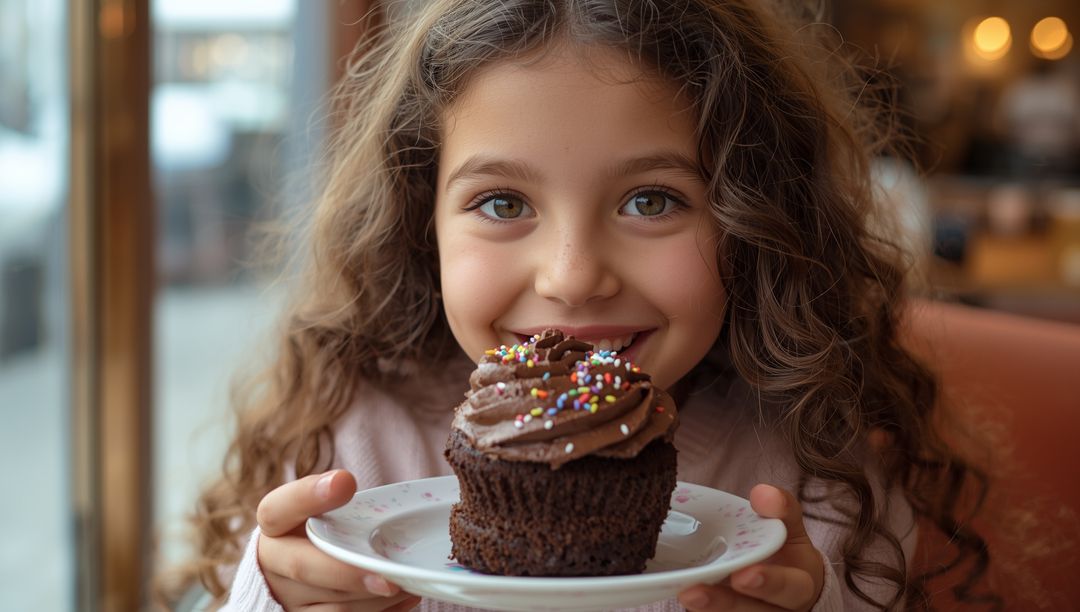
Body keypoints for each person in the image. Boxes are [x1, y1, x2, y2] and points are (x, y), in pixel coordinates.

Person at [176, 1, 998, 610]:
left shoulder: (819, 478)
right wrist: (271, 593)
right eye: (503, 204)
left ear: (755, 221)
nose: (572, 277)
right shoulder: (353, 451)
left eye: (650, 201)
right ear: (417, 224)